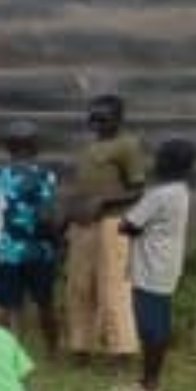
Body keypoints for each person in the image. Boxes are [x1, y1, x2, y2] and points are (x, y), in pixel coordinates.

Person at [62, 94, 143, 361]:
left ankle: (121, 350)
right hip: (83, 224)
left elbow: (138, 189)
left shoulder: (128, 146)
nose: (96, 123)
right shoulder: (90, 148)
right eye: (92, 118)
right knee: (79, 286)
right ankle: (81, 346)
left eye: (103, 118)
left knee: (113, 287)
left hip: (112, 224)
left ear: (119, 119)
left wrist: (103, 201)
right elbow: (82, 189)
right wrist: (66, 220)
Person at [119, 138, 195, 391]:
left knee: (151, 327)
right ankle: (148, 381)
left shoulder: (159, 194)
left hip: (150, 267)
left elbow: (126, 225)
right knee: (158, 323)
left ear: (167, 162)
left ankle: (149, 386)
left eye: (160, 157)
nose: (155, 161)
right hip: (166, 265)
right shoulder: (181, 190)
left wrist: (129, 222)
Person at [0, 121, 61, 356]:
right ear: (36, 146)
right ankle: (52, 351)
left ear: (7, 146)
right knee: (45, 304)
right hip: (39, 250)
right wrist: (59, 241)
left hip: (4, 248)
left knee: (8, 306)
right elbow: (45, 217)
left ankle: (8, 353)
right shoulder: (45, 176)